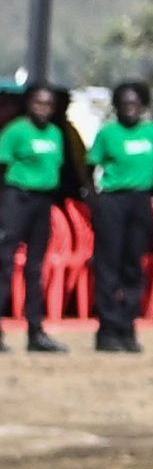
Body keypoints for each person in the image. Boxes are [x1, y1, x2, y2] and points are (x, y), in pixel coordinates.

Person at [86, 80, 153, 352]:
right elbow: (89, 166)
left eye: (135, 104)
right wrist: (94, 199)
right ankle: (107, 329)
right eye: (124, 104)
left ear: (143, 105)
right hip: (113, 200)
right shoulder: (109, 133)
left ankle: (127, 325)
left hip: (140, 200)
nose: (129, 109)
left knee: (134, 264)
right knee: (109, 265)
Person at [0, 77, 72, 350]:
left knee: (35, 267)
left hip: (43, 202)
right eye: (38, 103)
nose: (43, 108)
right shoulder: (16, 131)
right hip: (17, 198)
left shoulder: (55, 133)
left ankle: (36, 332)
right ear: (28, 104)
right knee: (4, 265)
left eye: (48, 104)